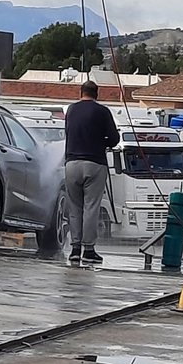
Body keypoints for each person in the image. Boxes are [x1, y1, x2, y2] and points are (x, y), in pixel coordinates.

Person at [63, 79, 120, 264]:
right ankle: (88, 250)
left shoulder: (71, 110)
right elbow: (114, 139)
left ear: (81, 92)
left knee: (74, 208)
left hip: (72, 164)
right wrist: (100, 141)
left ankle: (74, 249)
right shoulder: (102, 111)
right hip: (94, 163)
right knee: (91, 207)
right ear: (97, 94)